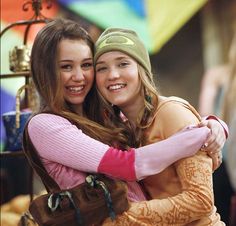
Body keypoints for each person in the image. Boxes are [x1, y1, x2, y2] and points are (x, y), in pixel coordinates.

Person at [24, 18, 227, 225]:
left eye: (86, 65)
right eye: (66, 66)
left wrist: (214, 125)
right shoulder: (45, 125)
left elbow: (200, 198)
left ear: (141, 69)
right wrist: (200, 134)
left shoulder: (109, 118)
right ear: (45, 71)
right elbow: (126, 164)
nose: (79, 76)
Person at [94, 27, 226, 225]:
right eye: (102, 68)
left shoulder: (171, 112)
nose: (112, 74)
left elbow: (201, 201)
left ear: (141, 69)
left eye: (123, 64)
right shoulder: (119, 125)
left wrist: (123, 217)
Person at [198, 31, 236, 224]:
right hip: (220, 157)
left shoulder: (217, 75)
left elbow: (205, 116)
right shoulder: (218, 75)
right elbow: (205, 117)